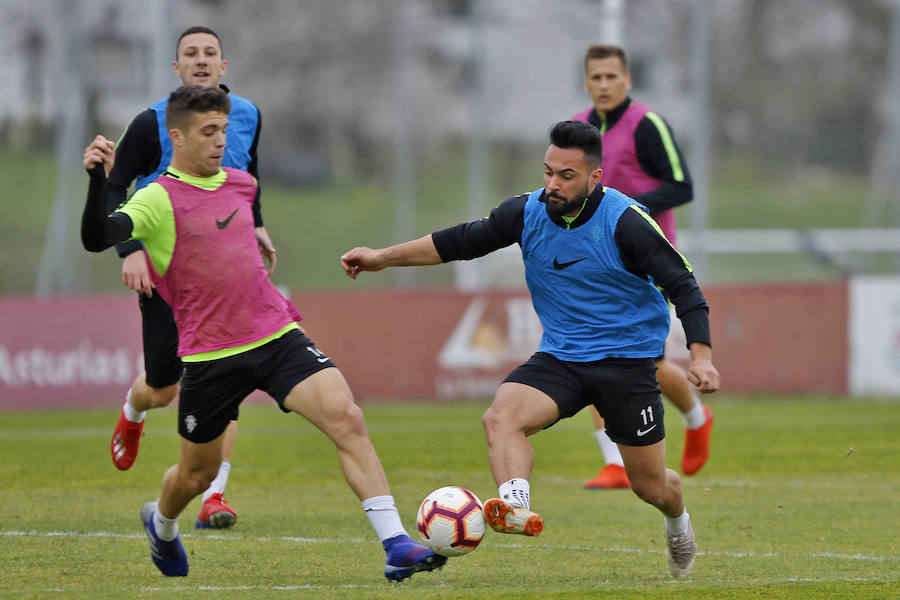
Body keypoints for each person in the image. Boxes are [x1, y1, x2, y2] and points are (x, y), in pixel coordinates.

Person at [80, 85, 445, 581]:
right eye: (208, 132)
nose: (218, 141)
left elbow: (235, 240)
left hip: (276, 334)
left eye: (223, 131)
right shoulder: (156, 199)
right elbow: (97, 237)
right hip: (210, 357)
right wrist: (97, 184)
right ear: (178, 136)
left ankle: (395, 542)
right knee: (195, 476)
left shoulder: (240, 183)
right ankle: (162, 524)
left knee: (346, 417)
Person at [341, 120, 720, 578]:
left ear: (594, 178)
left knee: (651, 486)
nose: (553, 185)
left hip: (627, 361)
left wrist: (700, 354)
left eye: (566, 176)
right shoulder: (525, 212)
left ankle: (678, 526)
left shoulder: (626, 222)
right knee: (501, 417)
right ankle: (515, 505)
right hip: (562, 355)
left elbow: (684, 285)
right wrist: (383, 257)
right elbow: (458, 241)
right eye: (548, 172)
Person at [105, 26, 276, 529]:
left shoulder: (248, 115)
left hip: (227, 267)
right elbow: (116, 184)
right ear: (175, 68)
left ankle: (214, 496)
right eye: (190, 54)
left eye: (210, 54)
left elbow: (249, 173)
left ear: (224, 67)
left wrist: (258, 225)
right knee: (163, 387)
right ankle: (134, 411)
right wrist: (131, 249)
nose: (200, 60)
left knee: (231, 371)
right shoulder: (148, 123)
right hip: (166, 268)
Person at [572, 44, 714, 489]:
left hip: (647, 255)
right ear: (587, 82)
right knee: (588, 349)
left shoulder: (646, 125)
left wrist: (629, 209)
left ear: (627, 80)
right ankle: (614, 461)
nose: (604, 84)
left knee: (645, 362)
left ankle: (696, 416)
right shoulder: (578, 129)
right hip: (595, 259)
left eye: (612, 76)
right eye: (596, 77)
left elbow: (681, 185)